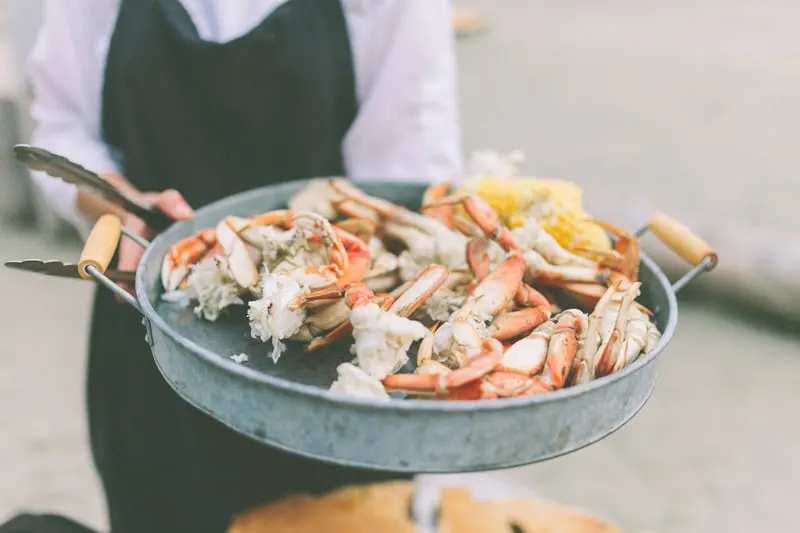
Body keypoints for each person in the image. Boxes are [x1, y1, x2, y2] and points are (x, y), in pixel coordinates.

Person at [16, 1, 461, 532]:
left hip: (332, 370)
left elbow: (402, 185)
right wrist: (122, 206)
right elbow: (62, 126)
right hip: (153, 339)